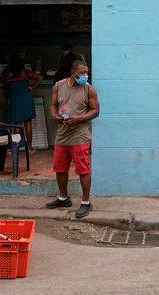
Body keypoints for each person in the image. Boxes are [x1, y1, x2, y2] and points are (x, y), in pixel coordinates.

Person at [46, 60, 100, 218]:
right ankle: (63, 198)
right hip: (62, 134)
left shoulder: (89, 90)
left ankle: (85, 203)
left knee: (83, 170)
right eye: (82, 72)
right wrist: (54, 115)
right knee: (60, 168)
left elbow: (96, 111)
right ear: (73, 73)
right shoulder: (59, 86)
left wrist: (79, 118)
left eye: (87, 72)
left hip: (80, 135)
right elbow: (53, 104)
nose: (85, 75)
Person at [3, 53, 44, 153]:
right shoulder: (25, 72)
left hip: (15, 99)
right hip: (26, 98)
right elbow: (40, 77)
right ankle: (30, 147)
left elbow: (4, 83)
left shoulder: (6, 73)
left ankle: (14, 148)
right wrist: (32, 87)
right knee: (28, 123)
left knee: (16, 124)